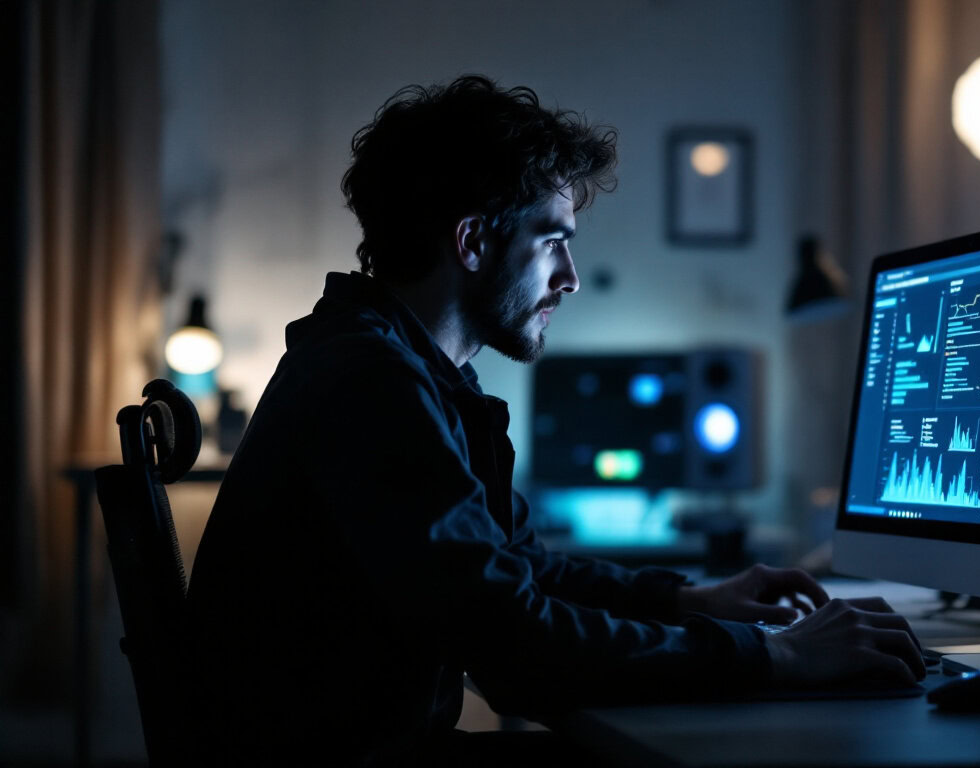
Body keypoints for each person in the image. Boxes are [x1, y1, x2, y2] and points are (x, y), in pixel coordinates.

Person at [186, 75, 924, 765]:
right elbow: (513, 648)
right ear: (474, 242)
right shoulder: (369, 383)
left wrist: (686, 598)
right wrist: (778, 656)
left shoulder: (400, 368)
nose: (568, 278)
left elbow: (517, 572)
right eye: (554, 241)